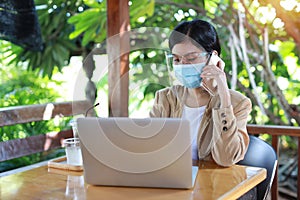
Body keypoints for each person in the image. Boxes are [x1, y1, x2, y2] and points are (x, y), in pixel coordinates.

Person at [149, 19, 252, 167]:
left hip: (213, 186)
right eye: (177, 59)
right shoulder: (165, 98)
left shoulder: (238, 103)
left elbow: (226, 159)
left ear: (213, 57)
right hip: (171, 181)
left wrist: (223, 97)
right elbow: (148, 148)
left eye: (191, 58)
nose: (183, 65)